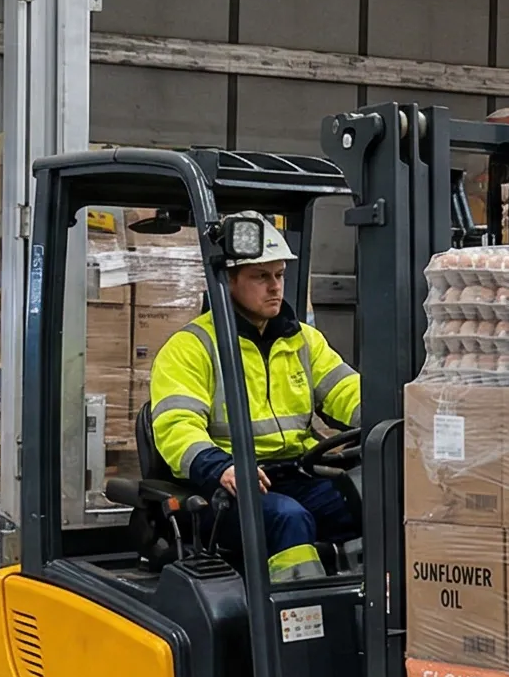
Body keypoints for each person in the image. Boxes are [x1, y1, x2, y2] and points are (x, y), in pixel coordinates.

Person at [146, 213, 360, 580]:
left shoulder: (304, 340)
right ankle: (299, 623)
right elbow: (176, 425)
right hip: (228, 488)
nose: (274, 287)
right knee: (287, 519)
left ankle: (376, 611)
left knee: (376, 500)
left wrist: (401, 420)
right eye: (261, 277)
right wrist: (221, 467)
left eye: (278, 275)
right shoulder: (193, 347)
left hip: (298, 473)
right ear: (227, 280)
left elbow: (347, 391)